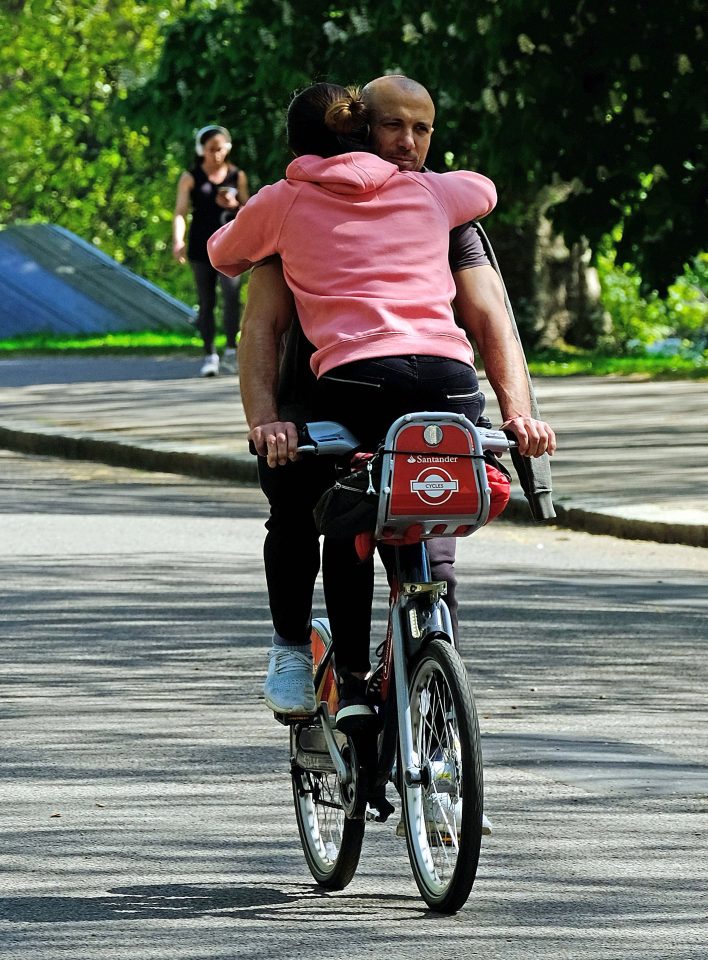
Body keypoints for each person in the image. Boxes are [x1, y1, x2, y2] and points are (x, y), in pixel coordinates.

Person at [230, 76, 556, 725]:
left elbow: (493, 320)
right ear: (359, 130)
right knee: (314, 515)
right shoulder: (301, 204)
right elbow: (260, 328)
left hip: (428, 387)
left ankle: (435, 718)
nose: (407, 143)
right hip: (317, 399)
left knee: (433, 553)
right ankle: (301, 652)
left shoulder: (436, 205)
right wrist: (266, 419)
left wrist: (519, 413)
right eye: (391, 128)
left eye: (421, 130)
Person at [172, 124, 250, 377]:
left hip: (230, 245)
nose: (216, 155)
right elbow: (180, 212)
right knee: (206, 301)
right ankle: (209, 354)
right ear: (201, 150)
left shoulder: (237, 175)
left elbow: (250, 211)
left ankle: (231, 348)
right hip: (200, 245)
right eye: (210, 149)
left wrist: (235, 204)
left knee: (231, 296)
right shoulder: (190, 177)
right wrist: (178, 240)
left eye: (220, 149)